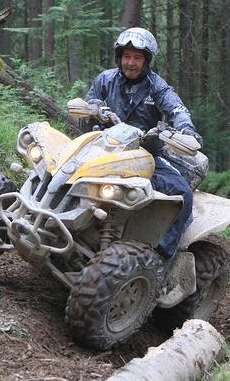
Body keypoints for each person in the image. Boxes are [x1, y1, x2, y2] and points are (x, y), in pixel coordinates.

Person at [85, 27, 203, 262]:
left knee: (184, 194)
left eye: (137, 58)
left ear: (146, 61)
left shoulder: (157, 86)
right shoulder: (105, 80)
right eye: (127, 56)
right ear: (119, 57)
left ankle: (161, 256)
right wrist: (95, 109)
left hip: (144, 154)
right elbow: (90, 101)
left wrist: (186, 129)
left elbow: (177, 109)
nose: (131, 63)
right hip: (103, 149)